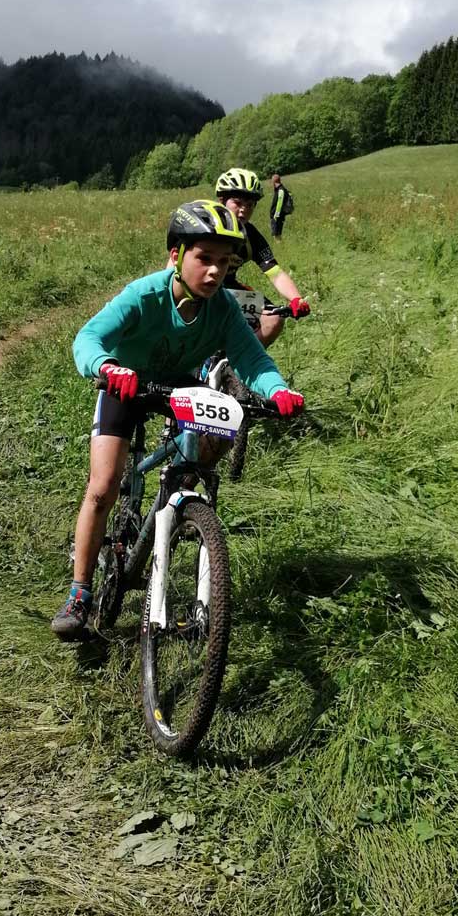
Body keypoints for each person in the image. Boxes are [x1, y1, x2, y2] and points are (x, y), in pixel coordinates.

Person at [51, 199, 305, 640]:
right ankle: (79, 592)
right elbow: (88, 338)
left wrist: (278, 390)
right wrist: (107, 367)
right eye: (204, 258)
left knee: (216, 435)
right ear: (176, 255)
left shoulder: (222, 307)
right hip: (125, 384)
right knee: (103, 486)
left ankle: (181, 505)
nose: (215, 271)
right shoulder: (145, 294)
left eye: (224, 262)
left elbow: (252, 359)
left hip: (179, 385)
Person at [214, 167, 309, 347]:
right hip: (196, 291)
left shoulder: (251, 236)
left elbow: (275, 273)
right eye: (237, 202)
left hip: (227, 291)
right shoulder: (204, 224)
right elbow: (175, 263)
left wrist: (296, 298)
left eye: (250, 205)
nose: (243, 210)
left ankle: (236, 360)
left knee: (273, 319)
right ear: (222, 200)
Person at [269, 173, 291, 240]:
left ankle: (279, 245)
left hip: (277, 216)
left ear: (274, 181)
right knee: (277, 234)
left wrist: (276, 215)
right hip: (277, 216)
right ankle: (280, 244)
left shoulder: (281, 190)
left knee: (276, 235)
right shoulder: (279, 189)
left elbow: (280, 203)